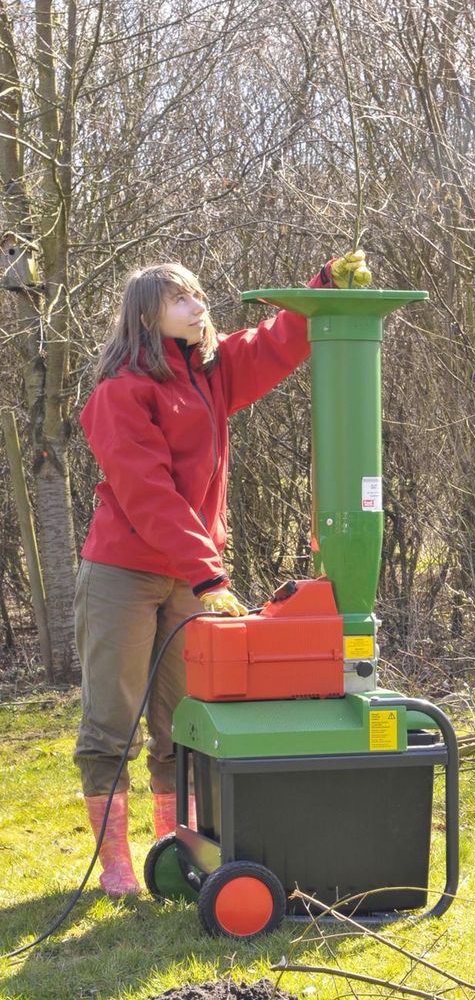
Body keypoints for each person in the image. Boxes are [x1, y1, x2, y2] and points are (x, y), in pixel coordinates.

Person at [75, 255, 358, 896]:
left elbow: (274, 344)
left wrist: (321, 288)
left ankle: (175, 848)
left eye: (200, 294)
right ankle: (114, 866)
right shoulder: (120, 391)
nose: (199, 304)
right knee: (112, 724)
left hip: (189, 576)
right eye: (182, 299)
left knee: (184, 721)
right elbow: (149, 496)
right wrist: (208, 573)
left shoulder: (212, 371)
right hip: (124, 570)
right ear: (147, 313)